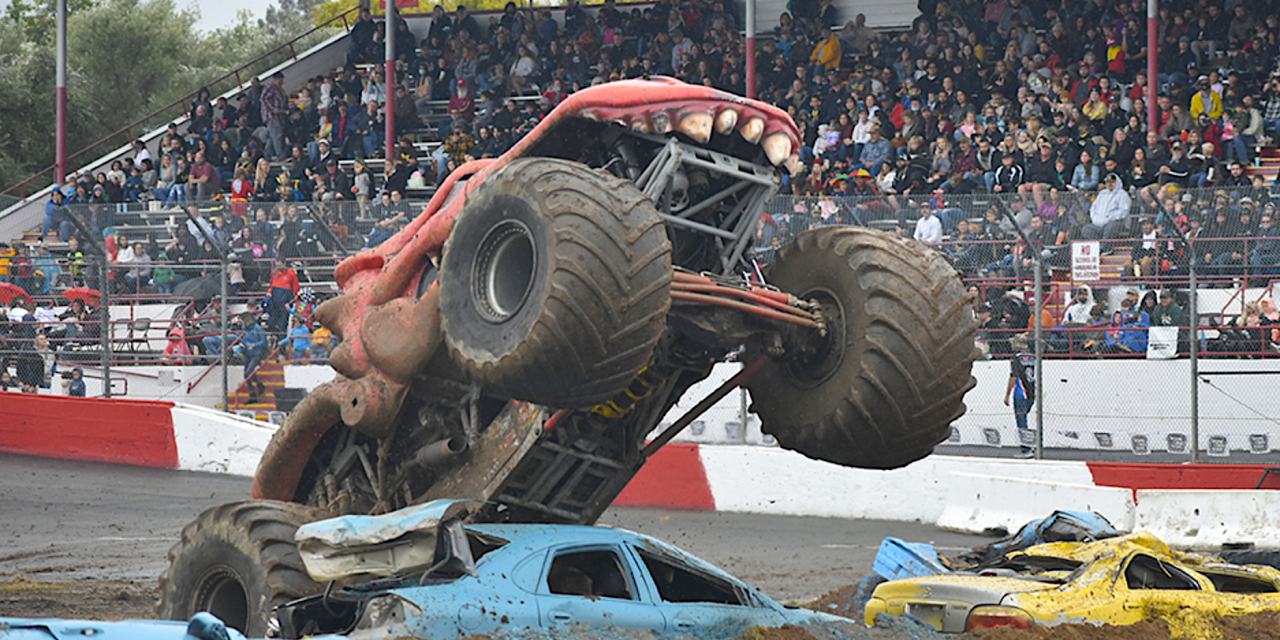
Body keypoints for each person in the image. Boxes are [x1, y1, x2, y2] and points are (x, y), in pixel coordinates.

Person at [1003, 352, 1036, 458]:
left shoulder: (1016, 358)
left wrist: (1007, 395)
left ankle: (1026, 448)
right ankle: (1030, 444)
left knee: (1021, 422)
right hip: (1031, 392)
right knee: (1024, 420)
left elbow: (1013, 377)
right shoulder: (1032, 356)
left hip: (1020, 394)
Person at [1082, 174, 1131, 241]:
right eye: (1108, 182)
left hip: (1116, 222)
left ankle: (1105, 248)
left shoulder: (1122, 194)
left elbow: (1124, 211)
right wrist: (1095, 219)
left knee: (1111, 227)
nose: (1110, 184)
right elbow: (1093, 208)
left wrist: (1110, 218)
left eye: (1112, 182)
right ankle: (1098, 246)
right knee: (1086, 230)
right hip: (1099, 223)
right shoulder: (1102, 193)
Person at [233, 312, 268, 402]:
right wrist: (242, 346)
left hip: (257, 353)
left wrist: (254, 345)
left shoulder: (257, 328)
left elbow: (264, 341)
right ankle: (257, 387)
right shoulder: (245, 330)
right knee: (247, 373)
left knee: (248, 372)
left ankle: (255, 392)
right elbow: (244, 340)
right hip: (248, 353)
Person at [266, 257, 300, 336]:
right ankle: (277, 337)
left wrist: (295, 303)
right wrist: (269, 294)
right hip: (275, 303)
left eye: (280, 265)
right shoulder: (273, 273)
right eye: (277, 266)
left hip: (285, 304)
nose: (278, 268)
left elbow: (296, 289)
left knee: (282, 326)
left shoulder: (291, 273)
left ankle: (281, 344)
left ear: (284, 264)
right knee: (270, 324)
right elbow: (271, 286)